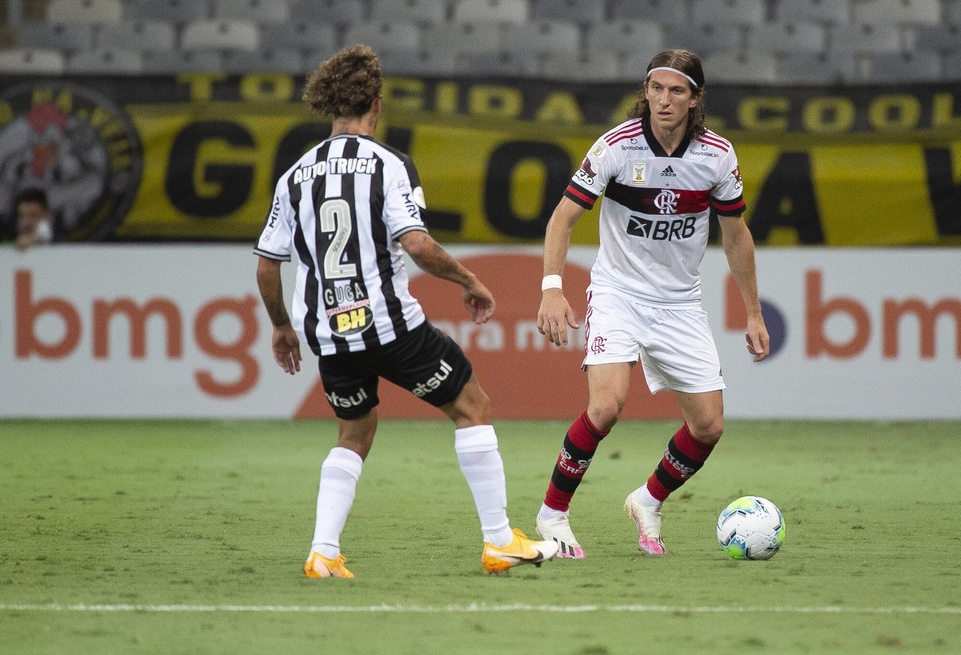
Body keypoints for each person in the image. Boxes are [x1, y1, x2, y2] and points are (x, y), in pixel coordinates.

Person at [253, 45, 556, 578]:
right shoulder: (388, 164)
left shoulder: (294, 176)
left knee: (354, 433)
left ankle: (323, 553)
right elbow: (416, 245)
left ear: (329, 104)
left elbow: (266, 266)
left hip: (329, 333)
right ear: (376, 101)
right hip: (389, 326)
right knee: (471, 406)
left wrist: (281, 325)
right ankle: (499, 540)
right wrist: (469, 279)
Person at [533, 49, 770, 558]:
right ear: (645, 91)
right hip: (618, 293)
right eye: (655, 88)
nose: (663, 100)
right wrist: (552, 286)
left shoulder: (717, 156)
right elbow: (562, 219)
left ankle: (647, 500)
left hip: (680, 303)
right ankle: (552, 516)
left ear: (695, 99)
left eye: (676, 90)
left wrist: (752, 310)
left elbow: (736, 237)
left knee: (709, 426)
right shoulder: (615, 147)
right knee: (606, 406)